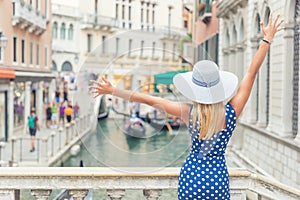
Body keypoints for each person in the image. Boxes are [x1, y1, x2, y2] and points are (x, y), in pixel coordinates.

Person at [90, 13, 283, 199]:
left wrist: (114, 91)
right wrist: (266, 40)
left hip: (192, 177)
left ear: (195, 90)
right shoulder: (231, 113)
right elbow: (251, 74)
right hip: (217, 180)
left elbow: (148, 99)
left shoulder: (189, 113)